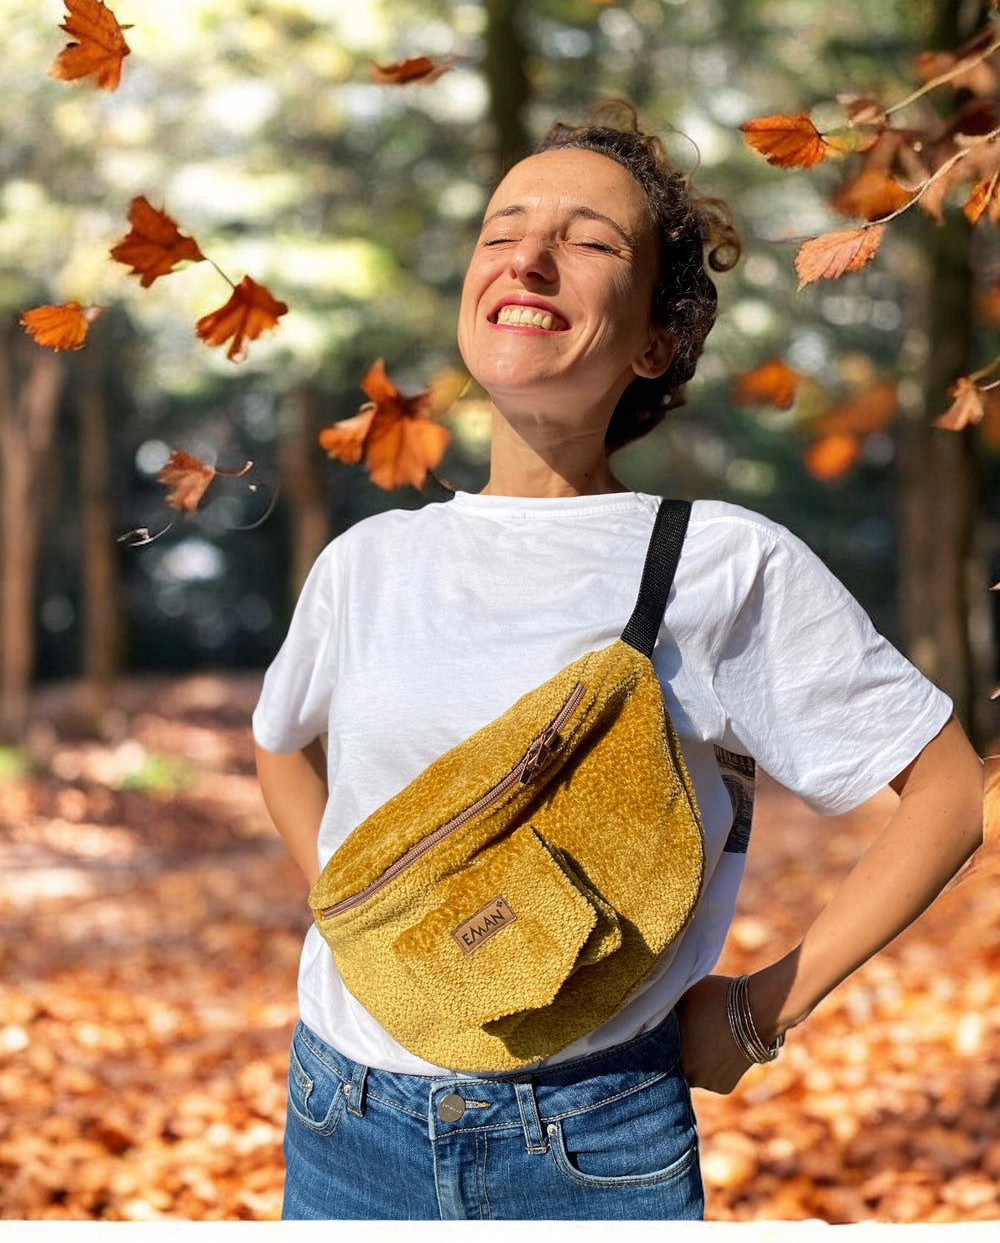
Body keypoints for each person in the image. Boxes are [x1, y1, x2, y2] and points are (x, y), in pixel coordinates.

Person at [252, 103, 983, 1221]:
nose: (529, 257)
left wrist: (757, 1011)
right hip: (343, 1115)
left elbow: (945, 796)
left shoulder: (721, 565)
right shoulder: (369, 561)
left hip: (591, 1141)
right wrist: (370, 923)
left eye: (589, 240)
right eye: (502, 231)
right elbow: (279, 748)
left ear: (654, 339)